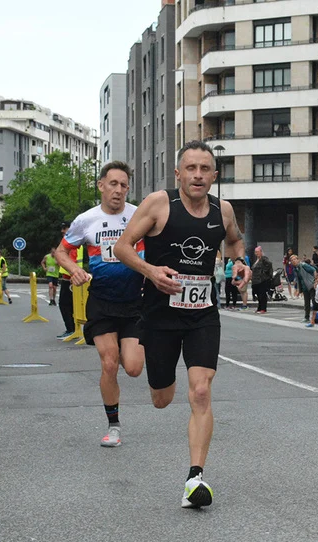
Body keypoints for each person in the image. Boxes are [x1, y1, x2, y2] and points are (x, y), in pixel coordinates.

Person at [114, 139, 245, 509]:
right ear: (178, 174)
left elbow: (235, 243)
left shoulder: (223, 210)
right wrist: (151, 271)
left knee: (201, 391)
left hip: (202, 314)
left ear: (214, 176)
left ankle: (195, 478)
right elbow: (122, 247)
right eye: (191, 168)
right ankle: (154, 373)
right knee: (162, 398)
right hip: (159, 315)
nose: (198, 175)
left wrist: (240, 263)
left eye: (205, 169)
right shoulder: (159, 204)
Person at [55, 161, 143, 448]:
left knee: (133, 368)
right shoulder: (86, 220)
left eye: (124, 185)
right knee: (109, 362)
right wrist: (74, 270)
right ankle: (113, 426)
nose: (119, 190)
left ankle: (128, 349)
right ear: (101, 185)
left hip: (134, 302)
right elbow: (61, 252)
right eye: (113, 184)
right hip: (102, 301)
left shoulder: (139, 215)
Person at [57, 222, 80, 338]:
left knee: (65, 305)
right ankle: (73, 329)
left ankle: (71, 329)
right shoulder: (75, 241)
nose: (62, 231)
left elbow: (71, 261)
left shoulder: (72, 243)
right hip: (72, 278)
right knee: (71, 305)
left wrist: (72, 275)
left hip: (70, 279)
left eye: (65, 228)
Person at [251, 245, 273, 314]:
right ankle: (259, 308)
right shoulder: (256, 260)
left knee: (262, 294)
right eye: (255, 252)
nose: (256, 253)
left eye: (257, 252)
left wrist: (264, 272)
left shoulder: (264, 259)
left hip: (262, 280)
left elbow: (269, 264)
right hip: (256, 280)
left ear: (261, 252)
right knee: (258, 294)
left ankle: (263, 308)